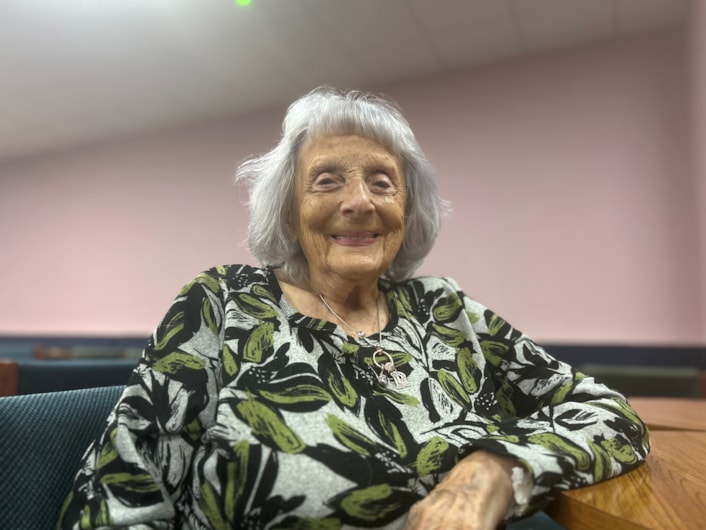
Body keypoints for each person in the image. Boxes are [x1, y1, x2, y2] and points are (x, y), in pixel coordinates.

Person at [59, 86, 649, 530]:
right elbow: (115, 499)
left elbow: (609, 414)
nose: (359, 202)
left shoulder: (447, 313)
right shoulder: (222, 304)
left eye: (382, 183)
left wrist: (491, 470)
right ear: (289, 211)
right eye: (327, 181)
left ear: (406, 211)